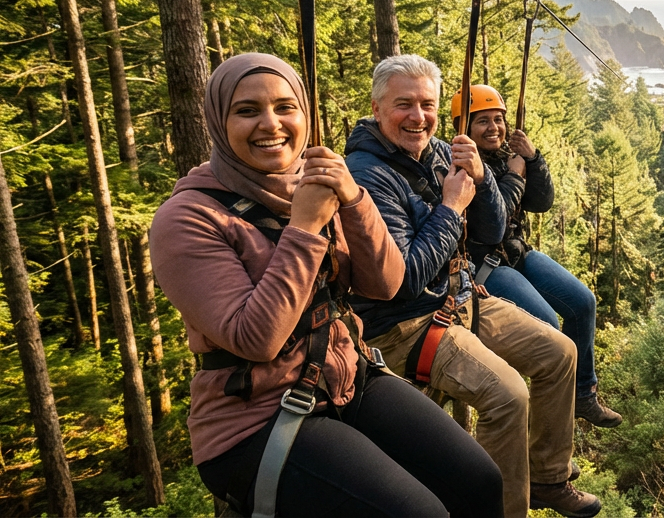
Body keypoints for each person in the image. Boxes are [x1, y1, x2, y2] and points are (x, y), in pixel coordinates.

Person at [150, 53, 503, 518]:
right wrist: (306, 226)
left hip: (346, 376)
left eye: (285, 107)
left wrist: (353, 199)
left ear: (303, 114)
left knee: (481, 482)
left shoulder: (314, 182)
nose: (270, 124)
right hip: (255, 418)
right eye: (247, 110)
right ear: (219, 119)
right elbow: (254, 339)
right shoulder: (188, 218)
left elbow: (386, 282)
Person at [344, 55, 600, 518]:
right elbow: (404, 279)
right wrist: (449, 207)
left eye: (428, 104)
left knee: (560, 352)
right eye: (404, 104)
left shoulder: (443, 152)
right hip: (404, 325)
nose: (418, 117)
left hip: (456, 299)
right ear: (377, 108)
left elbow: (489, 234)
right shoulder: (367, 175)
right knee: (508, 396)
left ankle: (547, 478)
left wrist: (481, 182)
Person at [451, 85, 621, 428]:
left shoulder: (503, 158)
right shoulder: (461, 168)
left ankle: (583, 394)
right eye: (482, 121)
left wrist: (533, 158)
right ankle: (549, 428)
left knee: (583, 302)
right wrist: (516, 174)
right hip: (484, 265)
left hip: (516, 254)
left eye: (498, 119)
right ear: (463, 128)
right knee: (549, 326)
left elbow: (541, 203)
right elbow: (492, 226)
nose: (494, 128)